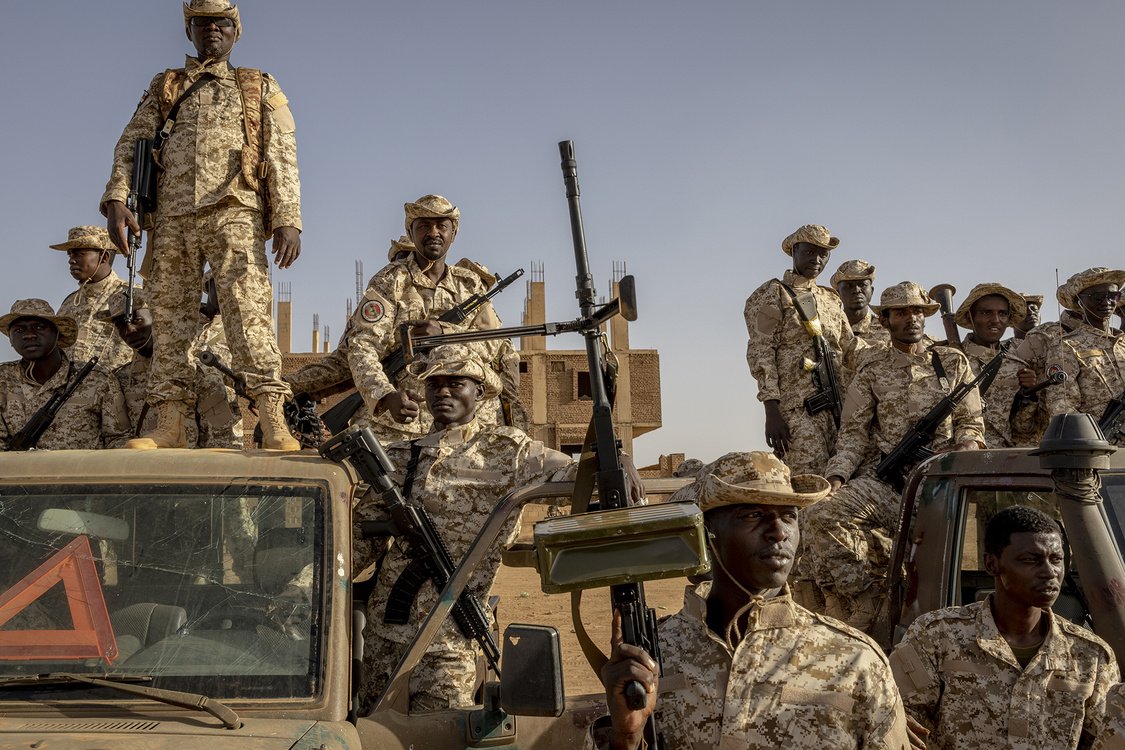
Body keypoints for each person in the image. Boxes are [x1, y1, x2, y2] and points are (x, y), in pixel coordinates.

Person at [590, 451, 911, 750]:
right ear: (705, 534)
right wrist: (627, 737)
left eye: (789, 516)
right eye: (753, 515)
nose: (778, 532)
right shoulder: (652, 659)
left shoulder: (855, 660)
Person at [355, 343, 612, 713]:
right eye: (435, 384)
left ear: (480, 390)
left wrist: (614, 460)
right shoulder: (400, 456)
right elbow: (360, 542)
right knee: (373, 728)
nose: (443, 391)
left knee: (441, 730)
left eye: (455, 382)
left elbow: (580, 476)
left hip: (452, 636)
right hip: (385, 631)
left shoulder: (509, 452)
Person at [100, 0, 300, 451]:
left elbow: (282, 153)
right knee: (168, 319)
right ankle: (167, 423)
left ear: (236, 31)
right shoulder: (167, 84)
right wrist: (116, 198)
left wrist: (287, 217)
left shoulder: (256, 85)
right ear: (189, 31)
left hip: (235, 210)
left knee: (248, 316)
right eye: (202, 23)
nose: (212, 30)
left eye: (221, 23)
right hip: (171, 216)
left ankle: (272, 420)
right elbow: (131, 142)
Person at [805, 281, 984, 635]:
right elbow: (853, 434)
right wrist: (837, 478)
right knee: (821, 515)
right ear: (885, 321)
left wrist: (965, 448)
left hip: (940, 490)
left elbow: (971, 423)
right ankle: (867, 596)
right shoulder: (871, 369)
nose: (911, 318)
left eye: (917, 311)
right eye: (901, 312)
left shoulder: (951, 362)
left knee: (931, 575)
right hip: (888, 484)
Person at [890, 505, 1118, 749]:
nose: (1050, 573)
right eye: (1031, 560)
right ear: (992, 564)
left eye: (1056, 560)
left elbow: (1105, 740)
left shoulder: (1090, 656)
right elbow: (895, 723)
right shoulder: (938, 635)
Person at [345, 196, 525, 444]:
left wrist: (444, 333)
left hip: (467, 424)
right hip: (401, 423)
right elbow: (362, 346)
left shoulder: (470, 285)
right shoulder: (390, 281)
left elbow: (492, 347)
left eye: (442, 226)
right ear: (411, 231)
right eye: (424, 226)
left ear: (453, 233)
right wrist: (386, 395)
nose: (434, 233)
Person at [744, 224, 855, 476]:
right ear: (794, 251)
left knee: (840, 480)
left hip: (837, 407)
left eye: (823, 254)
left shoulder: (831, 298)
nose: (816, 260)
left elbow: (850, 348)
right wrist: (771, 411)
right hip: (798, 412)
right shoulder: (772, 294)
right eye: (809, 252)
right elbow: (762, 353)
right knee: (808, 480)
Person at [100, 289, 240, 448]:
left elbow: (220, 439)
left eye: (137, 320)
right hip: (142, 468)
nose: (129, 330)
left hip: (190, 468)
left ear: (159, 319)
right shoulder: (120, 379)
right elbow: (116, 437)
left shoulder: (195, 370)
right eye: (120, 325)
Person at [0, 299, 129, 450]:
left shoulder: (96, 379)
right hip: (19, 472)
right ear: (10, 339)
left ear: (57, 334)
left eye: (39, 327)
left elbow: (119, 439)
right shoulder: (3, 379)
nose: (29, 335)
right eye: (19, 330)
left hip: (81, 472)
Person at [1042, 268, 1125, 443]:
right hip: (1100, 444)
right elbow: (1062, 406)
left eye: (1113, 296)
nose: (1107, 302)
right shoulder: (1066, 346)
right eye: (1098, 297)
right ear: (1080, 302)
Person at [950, 283, 1026, 448]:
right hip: (962, 455)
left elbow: (1026, 428)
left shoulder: (1018, 364)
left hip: (1007, 457)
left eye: (1002, 314)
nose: (995, 320)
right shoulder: (950, 361)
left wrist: (1029, 396)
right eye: (986, 313)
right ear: (971, 317)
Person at [51, 225, 134, 372]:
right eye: (70, 255)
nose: (71, 260)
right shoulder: (69, 303)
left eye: (79, 254)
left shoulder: (131, 296)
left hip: (120, 388)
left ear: (104, 257)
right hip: (73, 391)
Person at [831, 259, 889, 345]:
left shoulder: (888, 328)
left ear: (872, 291)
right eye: (848, 286)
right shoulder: (829, 326)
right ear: (838, 293)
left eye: (862, 285)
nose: (856, 290)